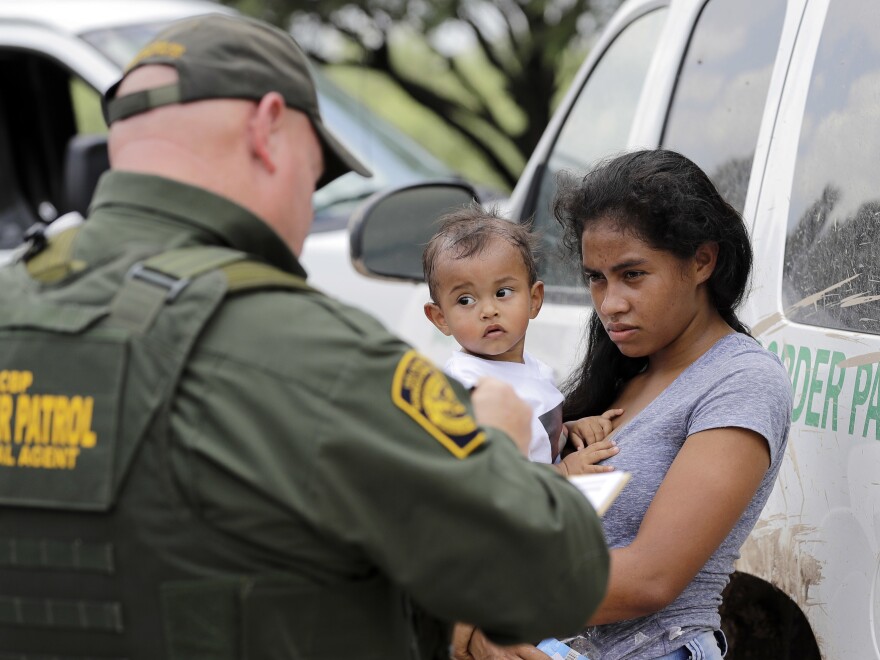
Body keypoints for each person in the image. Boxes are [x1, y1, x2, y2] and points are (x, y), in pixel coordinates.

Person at [0, 14, 611, 660]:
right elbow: (559, 576)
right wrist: (494, 442)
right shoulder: (314, 353)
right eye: (315, 171)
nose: (305, 211)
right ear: (267, 129)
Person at [455, 149, 792, 660]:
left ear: (702, 260)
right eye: (596, 277)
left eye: (632, 274)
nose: (610, 303)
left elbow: (650, 578)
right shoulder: (618, 375)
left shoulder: (740, 380)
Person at [422, 205, 622, 474]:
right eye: (465, 300)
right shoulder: (468, 387)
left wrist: (570, 430)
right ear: (440, 318)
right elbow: (496, 474)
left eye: (502, 292)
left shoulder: (532, 369)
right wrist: (563, 472)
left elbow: (534, 440)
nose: (488, 310)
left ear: (534, 300)